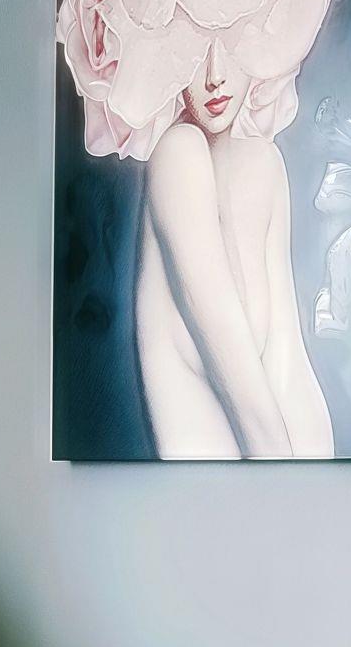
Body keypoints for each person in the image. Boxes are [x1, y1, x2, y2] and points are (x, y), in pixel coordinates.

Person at [133, 40, 335, 459]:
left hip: (276, 485)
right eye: (196, 48)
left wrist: (327, 478)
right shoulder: (177, 155)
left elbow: (290, 371)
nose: (216, 75)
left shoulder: (265, 164)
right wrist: (307, 489)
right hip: (206, 493)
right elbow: (250, 408)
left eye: (233, 41)